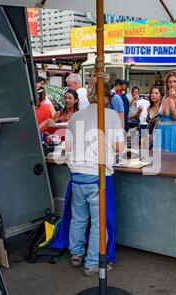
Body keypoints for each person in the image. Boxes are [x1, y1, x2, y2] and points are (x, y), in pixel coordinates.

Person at [63, 81, 124, 277]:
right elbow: (118, 147)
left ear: (88, 96)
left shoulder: (76, 116)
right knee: (99, 223)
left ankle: (76, 254)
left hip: (77, 174)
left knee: (79, 217)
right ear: (107, 97)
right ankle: (92, 263)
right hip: (98, 175)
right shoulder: (111, 115)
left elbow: (68, 147)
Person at [153, 71, 176, 153]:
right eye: (170, 82)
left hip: (174, 133)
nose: (172, 84)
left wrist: (172, 99)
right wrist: (154, 133)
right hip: (160, 133)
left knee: (175, 162)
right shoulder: (165, 97)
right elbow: (159, 117)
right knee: (160, 162)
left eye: (175, 81)